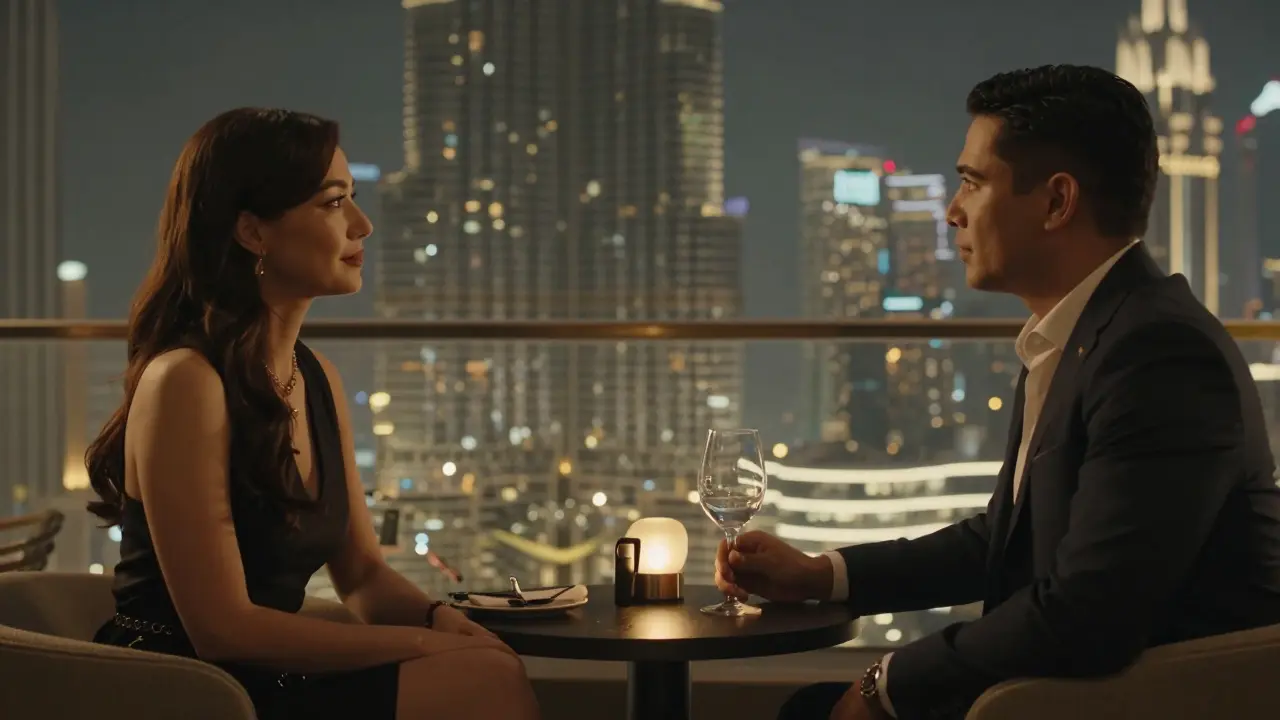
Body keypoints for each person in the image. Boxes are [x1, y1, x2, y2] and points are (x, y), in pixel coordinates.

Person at [717, 65, 1280, 720]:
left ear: (1055, 202)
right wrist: (825, 576)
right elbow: (1007, 542)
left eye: (972, 182)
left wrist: (887, 684)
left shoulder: (1158, 355)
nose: (952, 211)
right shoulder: (1081, 332)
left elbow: (1087, 613)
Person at [86, 108, 541, 720]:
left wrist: (445, 621)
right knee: (483, 682)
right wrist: (423, 646)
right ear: (253, 231)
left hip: (265, 672)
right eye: (333, 204)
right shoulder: (185, 382)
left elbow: (363, 575)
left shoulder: (313, 375)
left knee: (489, 665)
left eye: (353, 198)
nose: (363, 224)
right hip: (187, 686)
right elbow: (223, 629)